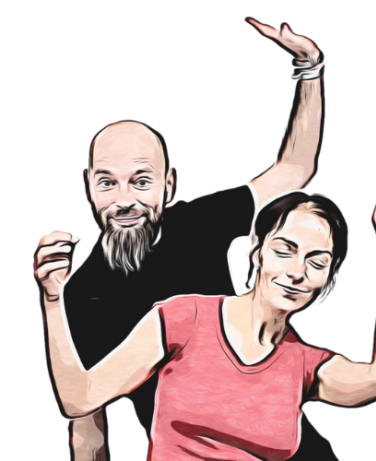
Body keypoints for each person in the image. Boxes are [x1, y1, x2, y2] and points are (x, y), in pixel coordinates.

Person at [33, 17, 333, 460]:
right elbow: (86, 422)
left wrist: (309, 69)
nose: (124, 200)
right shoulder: (77, 294)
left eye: (141, 181)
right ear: (89, 186)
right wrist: (53, 298)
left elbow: (293, 170)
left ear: (168, 185)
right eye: (108, 182)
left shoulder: (198, 225)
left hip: (283, 443)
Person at [34, 174, 376, 460]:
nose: (296, 271)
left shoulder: (303, 365)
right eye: (284, 249)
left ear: (328, 279)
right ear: (256, 251)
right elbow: (78, 397)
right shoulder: (184, 318)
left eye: (316, 261)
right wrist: (53, 297)